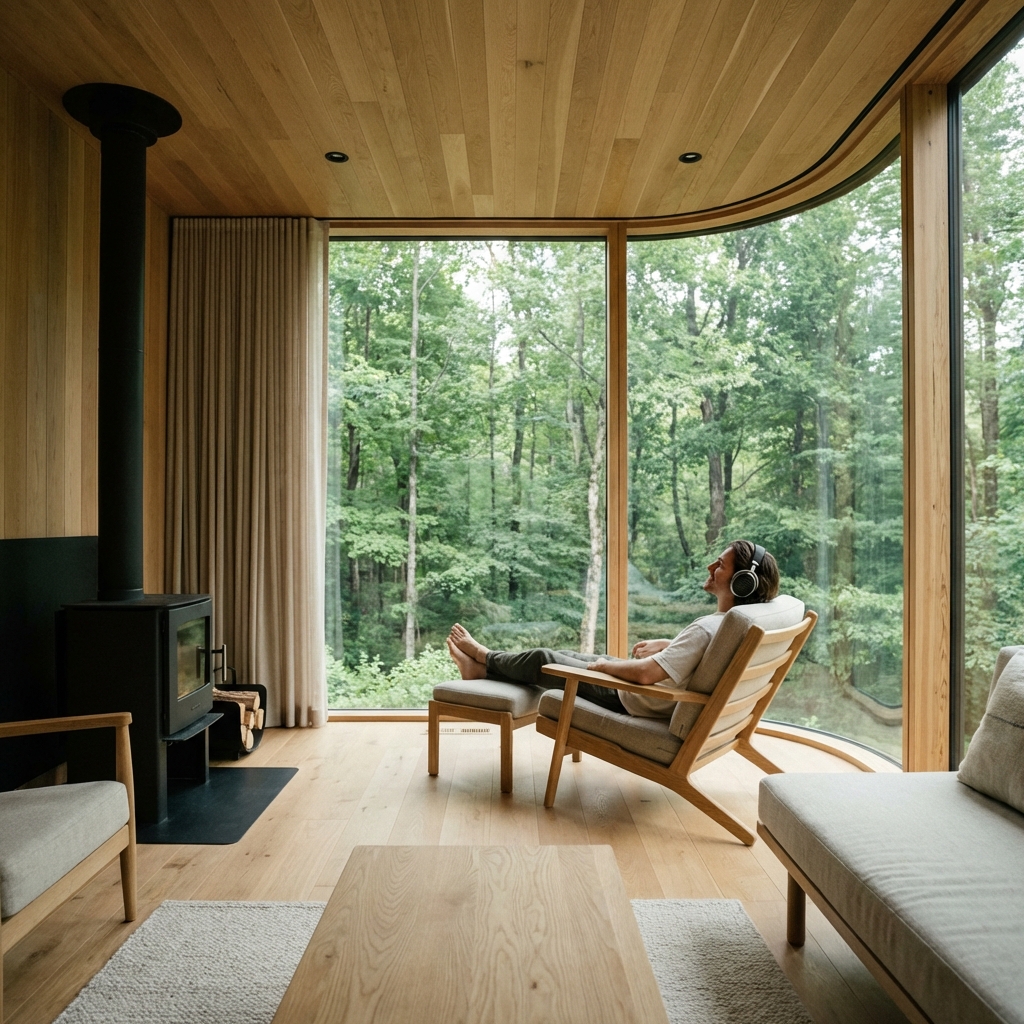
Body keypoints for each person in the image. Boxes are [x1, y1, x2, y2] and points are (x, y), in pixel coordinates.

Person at [446, 539, 780, 717]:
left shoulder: (709, 628)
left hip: (634, 698)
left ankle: (484, 656)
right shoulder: (739, 623)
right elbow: (702, 654)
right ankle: (482, 672)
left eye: (720, 565)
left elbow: (647, 674)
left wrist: (607, 666)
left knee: (544, 658)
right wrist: (670, 643)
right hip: (653, 694)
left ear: (742, 581)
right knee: (566, 654)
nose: (710, 566)